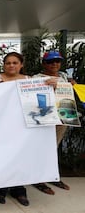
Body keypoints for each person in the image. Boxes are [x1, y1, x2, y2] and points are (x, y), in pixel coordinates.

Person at [0, 52, 30, 206]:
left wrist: (52, 85)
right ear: (4, 65)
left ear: (21, 65)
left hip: (22, 126)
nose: (11, 65)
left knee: (20, 157)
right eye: (8, 63)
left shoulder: (29, 80)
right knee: (1, 156)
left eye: (15, 63)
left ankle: (19, 190)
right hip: (0, 125)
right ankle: (0, 189)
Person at [32, 50, 74, 195]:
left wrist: (70, 85)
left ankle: (51, 175)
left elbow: (70, 90)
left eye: (57, 61)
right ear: (44, 63)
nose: (54, 64)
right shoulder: (37, 78)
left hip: (63, 117)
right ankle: (38, 178)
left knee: (54, 146)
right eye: (50, 61)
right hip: (45, 118)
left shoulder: (63, 76)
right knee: (41, 148)